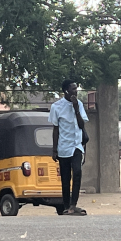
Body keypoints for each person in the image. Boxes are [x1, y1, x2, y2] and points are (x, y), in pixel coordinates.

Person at [49, 79, 89, 215]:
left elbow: (82, 125)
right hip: (63, 147)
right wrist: (54, 150)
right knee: (65, 178)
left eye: (76, 89)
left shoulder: (80, 105)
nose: (76, 91)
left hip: (77, 146)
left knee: (77, 172)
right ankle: (66, 206)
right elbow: (55, 129)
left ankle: (74, 204)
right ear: (66, 91)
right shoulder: (56, 107)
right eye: (73, 89)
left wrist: (76, 108)